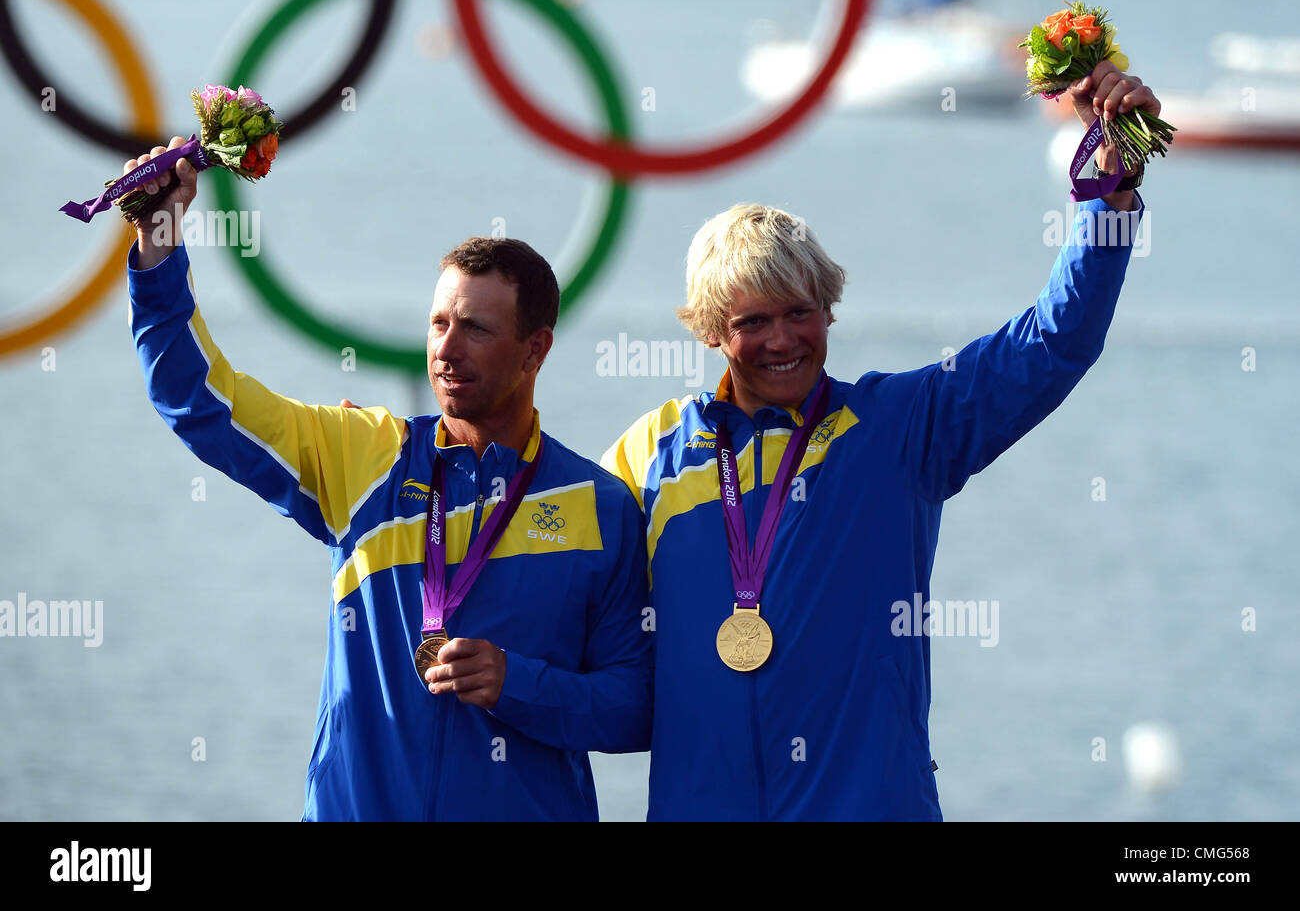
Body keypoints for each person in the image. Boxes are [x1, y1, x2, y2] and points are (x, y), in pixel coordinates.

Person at [601, 61, 1158, 820]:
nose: (782, 340)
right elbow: (566, 611)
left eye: (799, 311)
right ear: (707, 331)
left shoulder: (903, 426)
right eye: (751, 322)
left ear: (830, 309)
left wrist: (1109, 197)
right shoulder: (648, 454)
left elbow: (1053, 343)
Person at [125, 141, 651, 821]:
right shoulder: (365, 453)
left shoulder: (600, 505)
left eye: (476, 329)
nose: (445, 349)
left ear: (535, 349)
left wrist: (515, 682)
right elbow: (197, 398)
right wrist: (159, 241)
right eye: (438, 323)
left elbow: (637, 707)